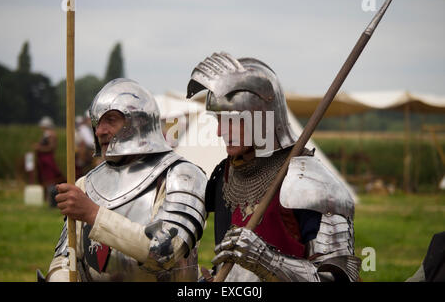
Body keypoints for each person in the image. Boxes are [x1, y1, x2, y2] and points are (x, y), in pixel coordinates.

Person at [186, 52, 361, 282]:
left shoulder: (310, 182)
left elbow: (338, 278)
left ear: (262, 119)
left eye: (231, 120)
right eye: (219, 120)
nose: (220, 132)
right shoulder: (226, 175)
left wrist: (265, 259)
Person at [45, 78, 207, 282]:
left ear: (138, 123)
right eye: (97, 121)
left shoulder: (182, 175)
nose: (99, 131)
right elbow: (65, 256)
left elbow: (164, 251)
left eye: (110, 120)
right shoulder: (86, 184)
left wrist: (93, 214)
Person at [34, 116, 65, 206]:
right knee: (45, 179)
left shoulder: (51, 134)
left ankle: (52, 200)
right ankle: (48, 198)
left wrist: (39, 148)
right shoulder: (45, 134)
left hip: (48, 160)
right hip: (43, 160)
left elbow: (51, 148)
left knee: (51, 179)